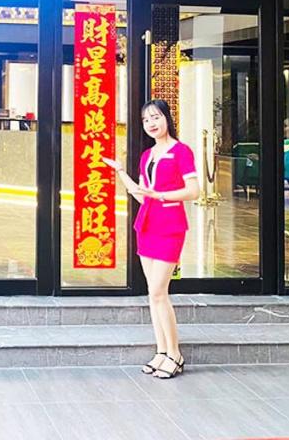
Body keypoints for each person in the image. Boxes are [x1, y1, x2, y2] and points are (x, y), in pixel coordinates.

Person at [105, 99, 200, 380]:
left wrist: (161, 195)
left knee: (159, 292)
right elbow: (141, 195)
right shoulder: (147, 156)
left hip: (170, 226)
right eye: (146, 120)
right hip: (146, 225)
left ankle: (175, 355)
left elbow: (193, 191)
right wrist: (120, 171)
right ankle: (161, 351)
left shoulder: (181, 151)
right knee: (153, 293)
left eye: (156, 117)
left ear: (167, 118)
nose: (151, 123)